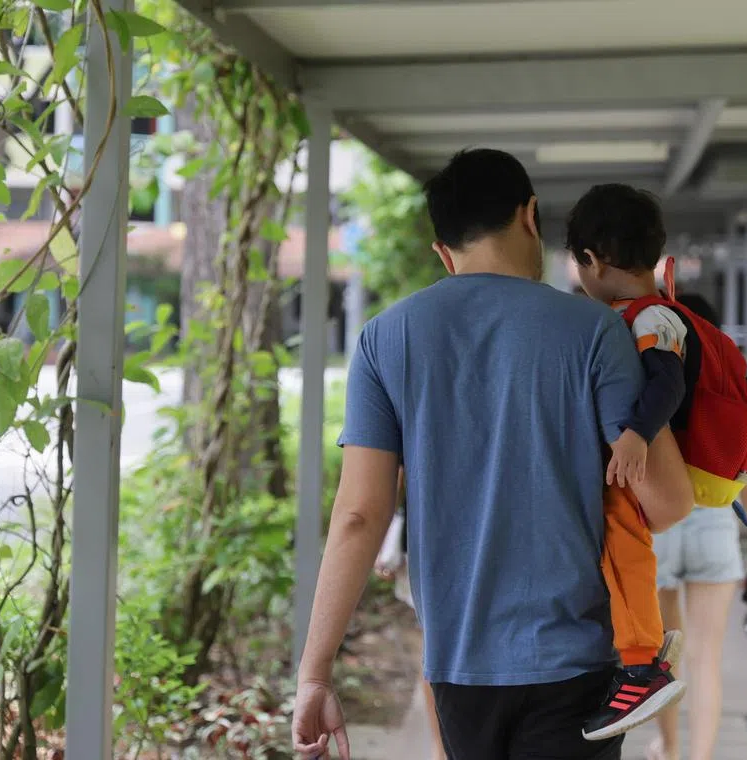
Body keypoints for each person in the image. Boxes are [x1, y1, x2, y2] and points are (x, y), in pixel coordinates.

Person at [291, 148, 695, 760]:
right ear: (530, 215)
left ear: (442, 252)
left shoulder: (383, 340)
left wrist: (315, 675)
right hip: (575, 663)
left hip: (458, 664)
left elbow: (358, 516)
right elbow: (664, 504)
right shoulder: (593, 331)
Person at [565, 185, 691, 741]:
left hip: (635, 465)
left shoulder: (648, 317)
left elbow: (668, 381)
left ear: (591, 260)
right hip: (627, 461)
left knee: (622, 542)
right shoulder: (632, 313)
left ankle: (643, 666)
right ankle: (643, 646)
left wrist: (638, 434)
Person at [645, 292, 747, 760]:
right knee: (706, 662)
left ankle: (670, 749)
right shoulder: (729, 385)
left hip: (660, 526)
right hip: (715, 527)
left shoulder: (649, 378)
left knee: (666, 659)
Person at [373, 469, 447, 760]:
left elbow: (394, 472)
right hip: (432, 531)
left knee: (433, 641)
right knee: (433, 643)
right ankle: (440, 746)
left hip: (426, 530)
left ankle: (440, 747)